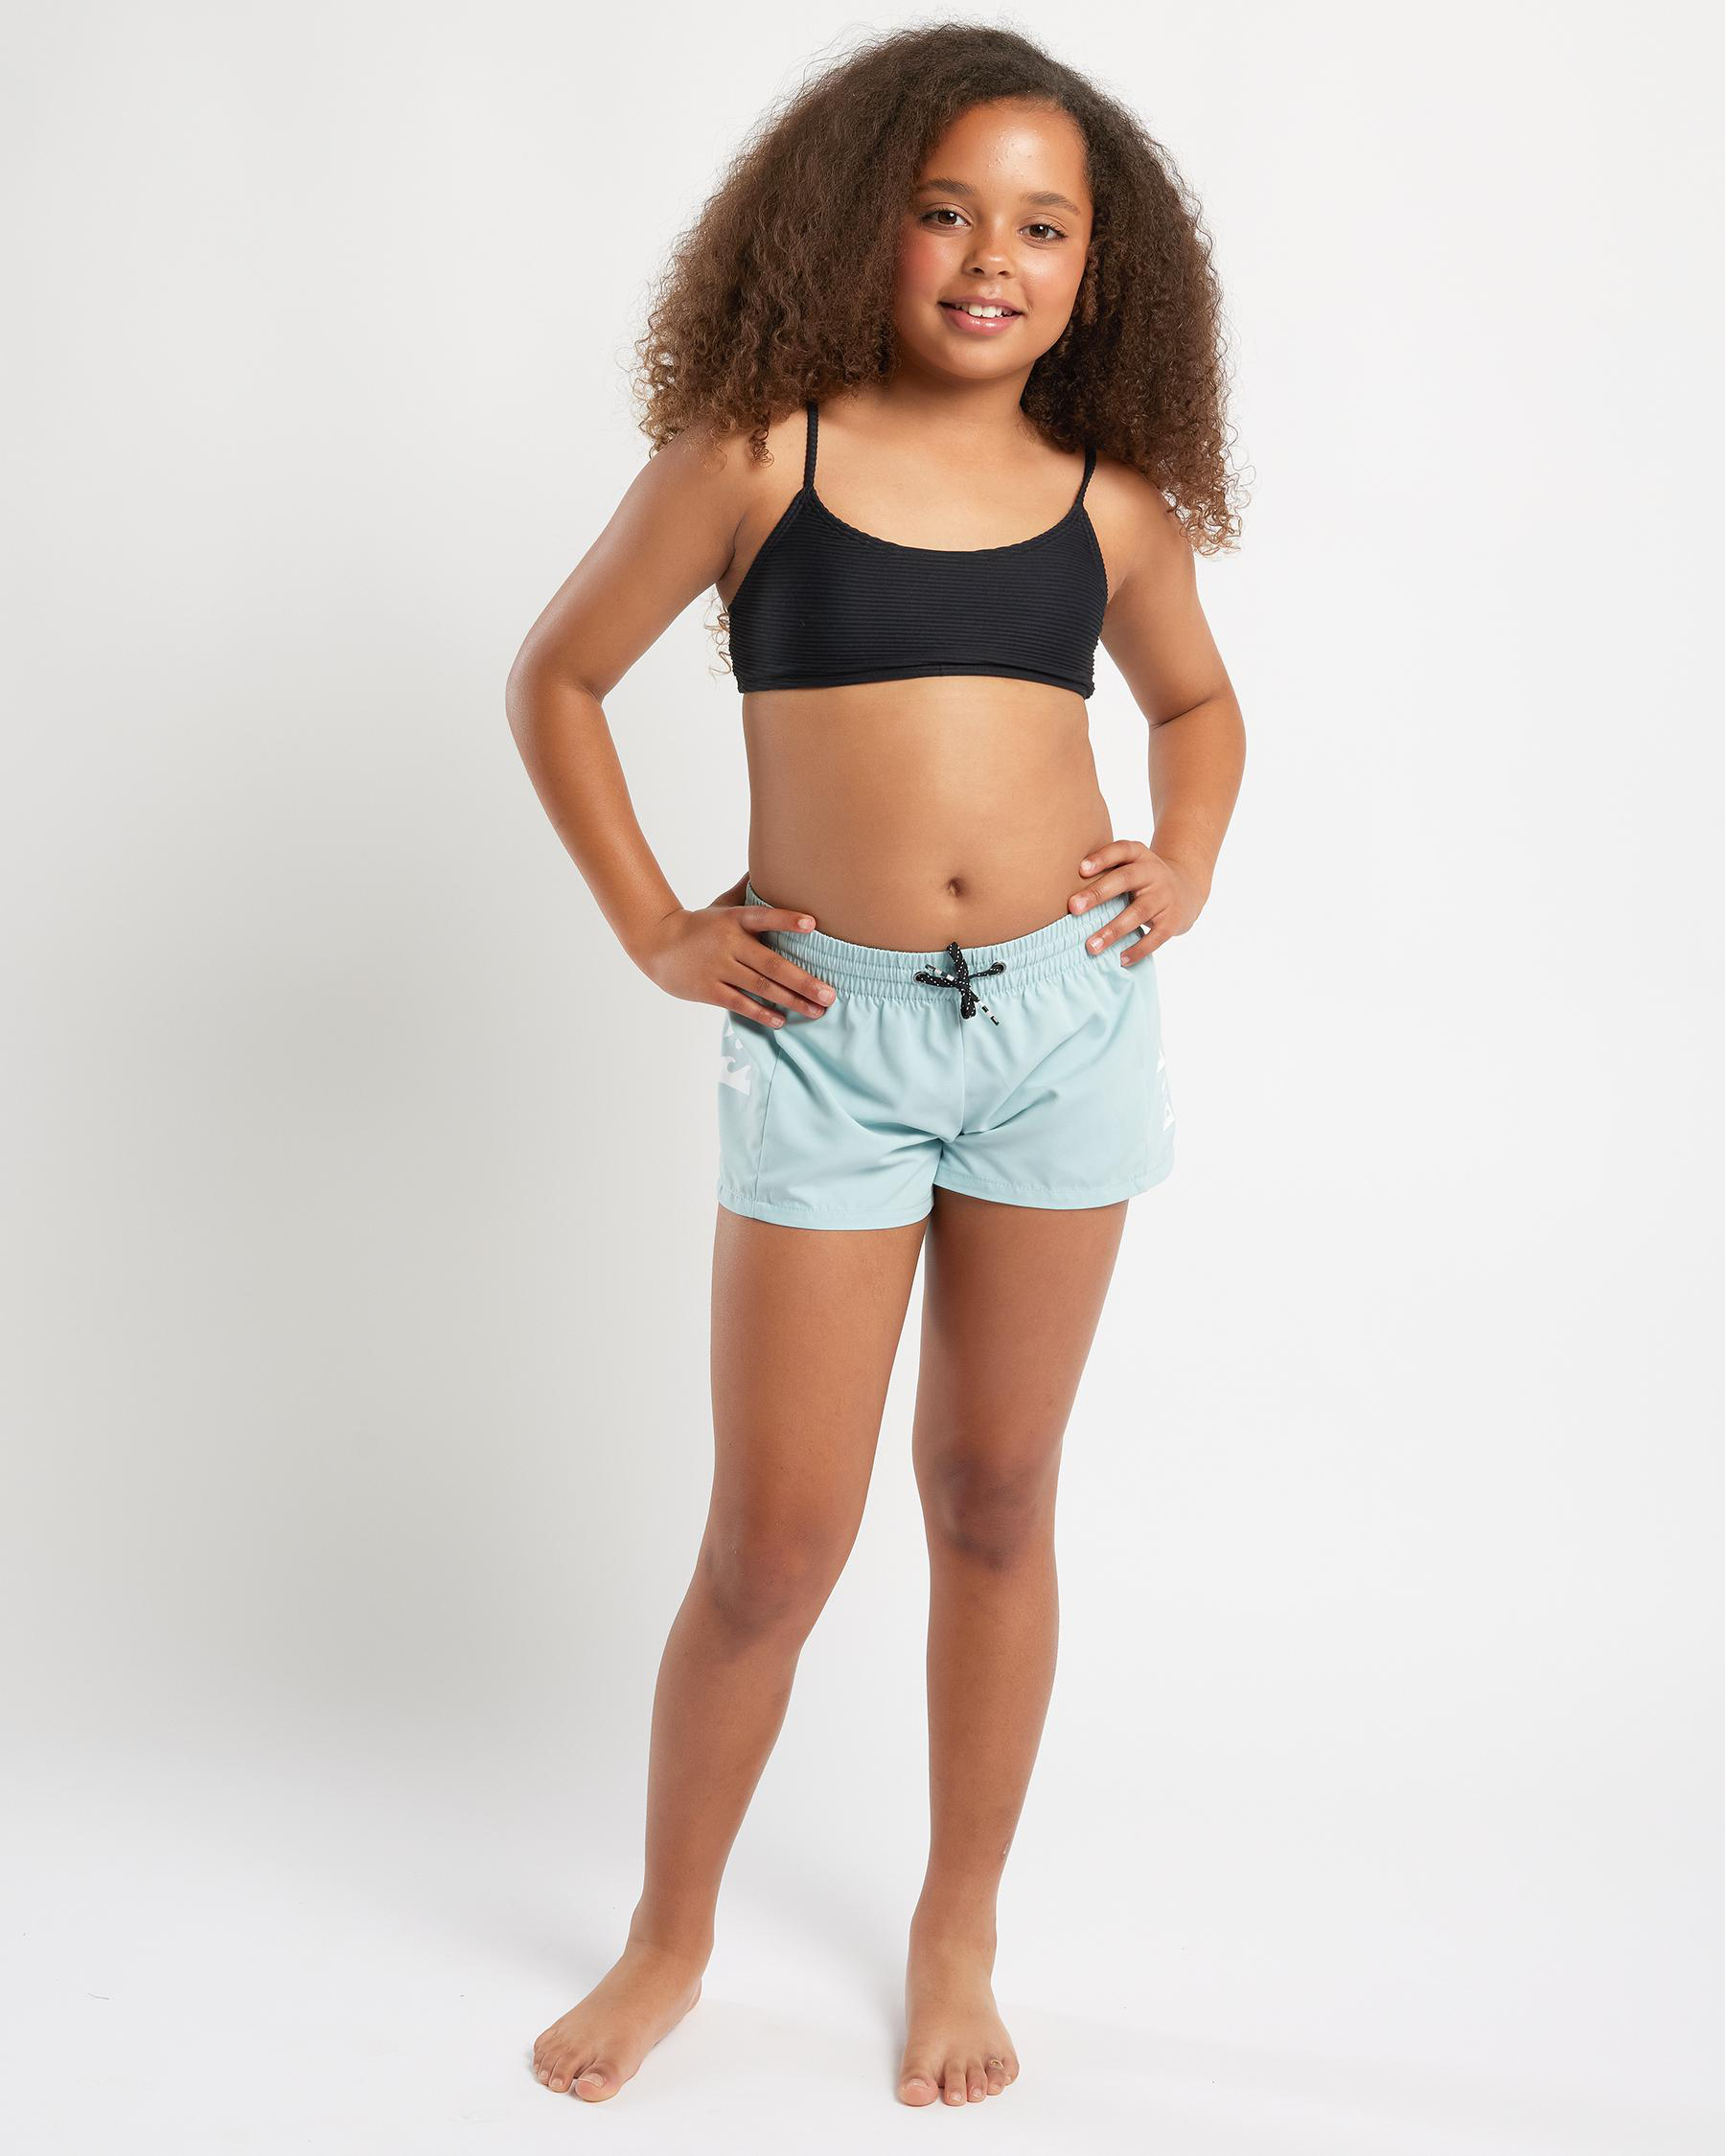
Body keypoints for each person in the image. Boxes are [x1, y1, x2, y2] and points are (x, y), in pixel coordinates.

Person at [504, 21, 1246, 2108]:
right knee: (775, 1542)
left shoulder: (1106, 503)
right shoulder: (763, 456)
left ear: (1101, 265)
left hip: (1064, 1024)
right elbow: (558, 675)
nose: (991, 258)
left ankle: (957, 1928)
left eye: (1043, 225)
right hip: (830, 1039)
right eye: (944, 211)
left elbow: (1198, 709)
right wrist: (657, 926)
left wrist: (1184, 856)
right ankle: (671, 1937)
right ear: (860, 223)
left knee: (995, 1496)